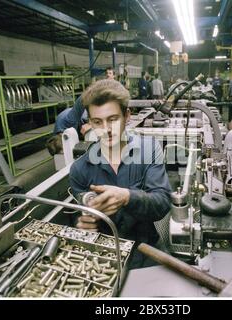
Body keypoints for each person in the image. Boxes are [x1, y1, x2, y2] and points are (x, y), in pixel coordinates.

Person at [69, 79, 172, 269]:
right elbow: (77, 215)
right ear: (90, 122)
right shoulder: (79, 169)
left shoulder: (149, 149)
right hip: (104, 259)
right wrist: (82, 224)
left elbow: (163, 202)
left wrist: (127, 197)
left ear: (127, 116)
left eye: (113, 119)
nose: (106, 129)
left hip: (148, 251)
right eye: (97, 122)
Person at [46, 67, 116, 155]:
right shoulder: (56, 138)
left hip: (81, 114)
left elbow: (83, 98)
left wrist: (90, 123)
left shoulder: (69, 120)